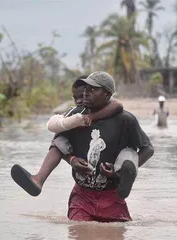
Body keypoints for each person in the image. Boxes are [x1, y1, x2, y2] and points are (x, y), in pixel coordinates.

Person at [54, 71, 154, 222]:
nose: (86, 93)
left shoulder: (125, 120)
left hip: (113, 196)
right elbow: (58, 146)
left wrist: (120, 172)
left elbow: (148, 149)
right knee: (79, 231)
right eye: (85, 89)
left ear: (107, 95)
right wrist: (71, 160)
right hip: (82, 196)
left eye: (93, 89)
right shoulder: (76, 117)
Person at [11, 76, 125, 197]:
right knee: (59, 139)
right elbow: (56, 134)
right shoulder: (76, 113)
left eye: (82, 96)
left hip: (106, 172)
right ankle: (39, 179)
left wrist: (91, 118)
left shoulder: (112, 111)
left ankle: (39, 179)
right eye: (76, 98)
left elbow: (117, 105)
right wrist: (71, 159)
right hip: (82, 165)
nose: (79, 101)